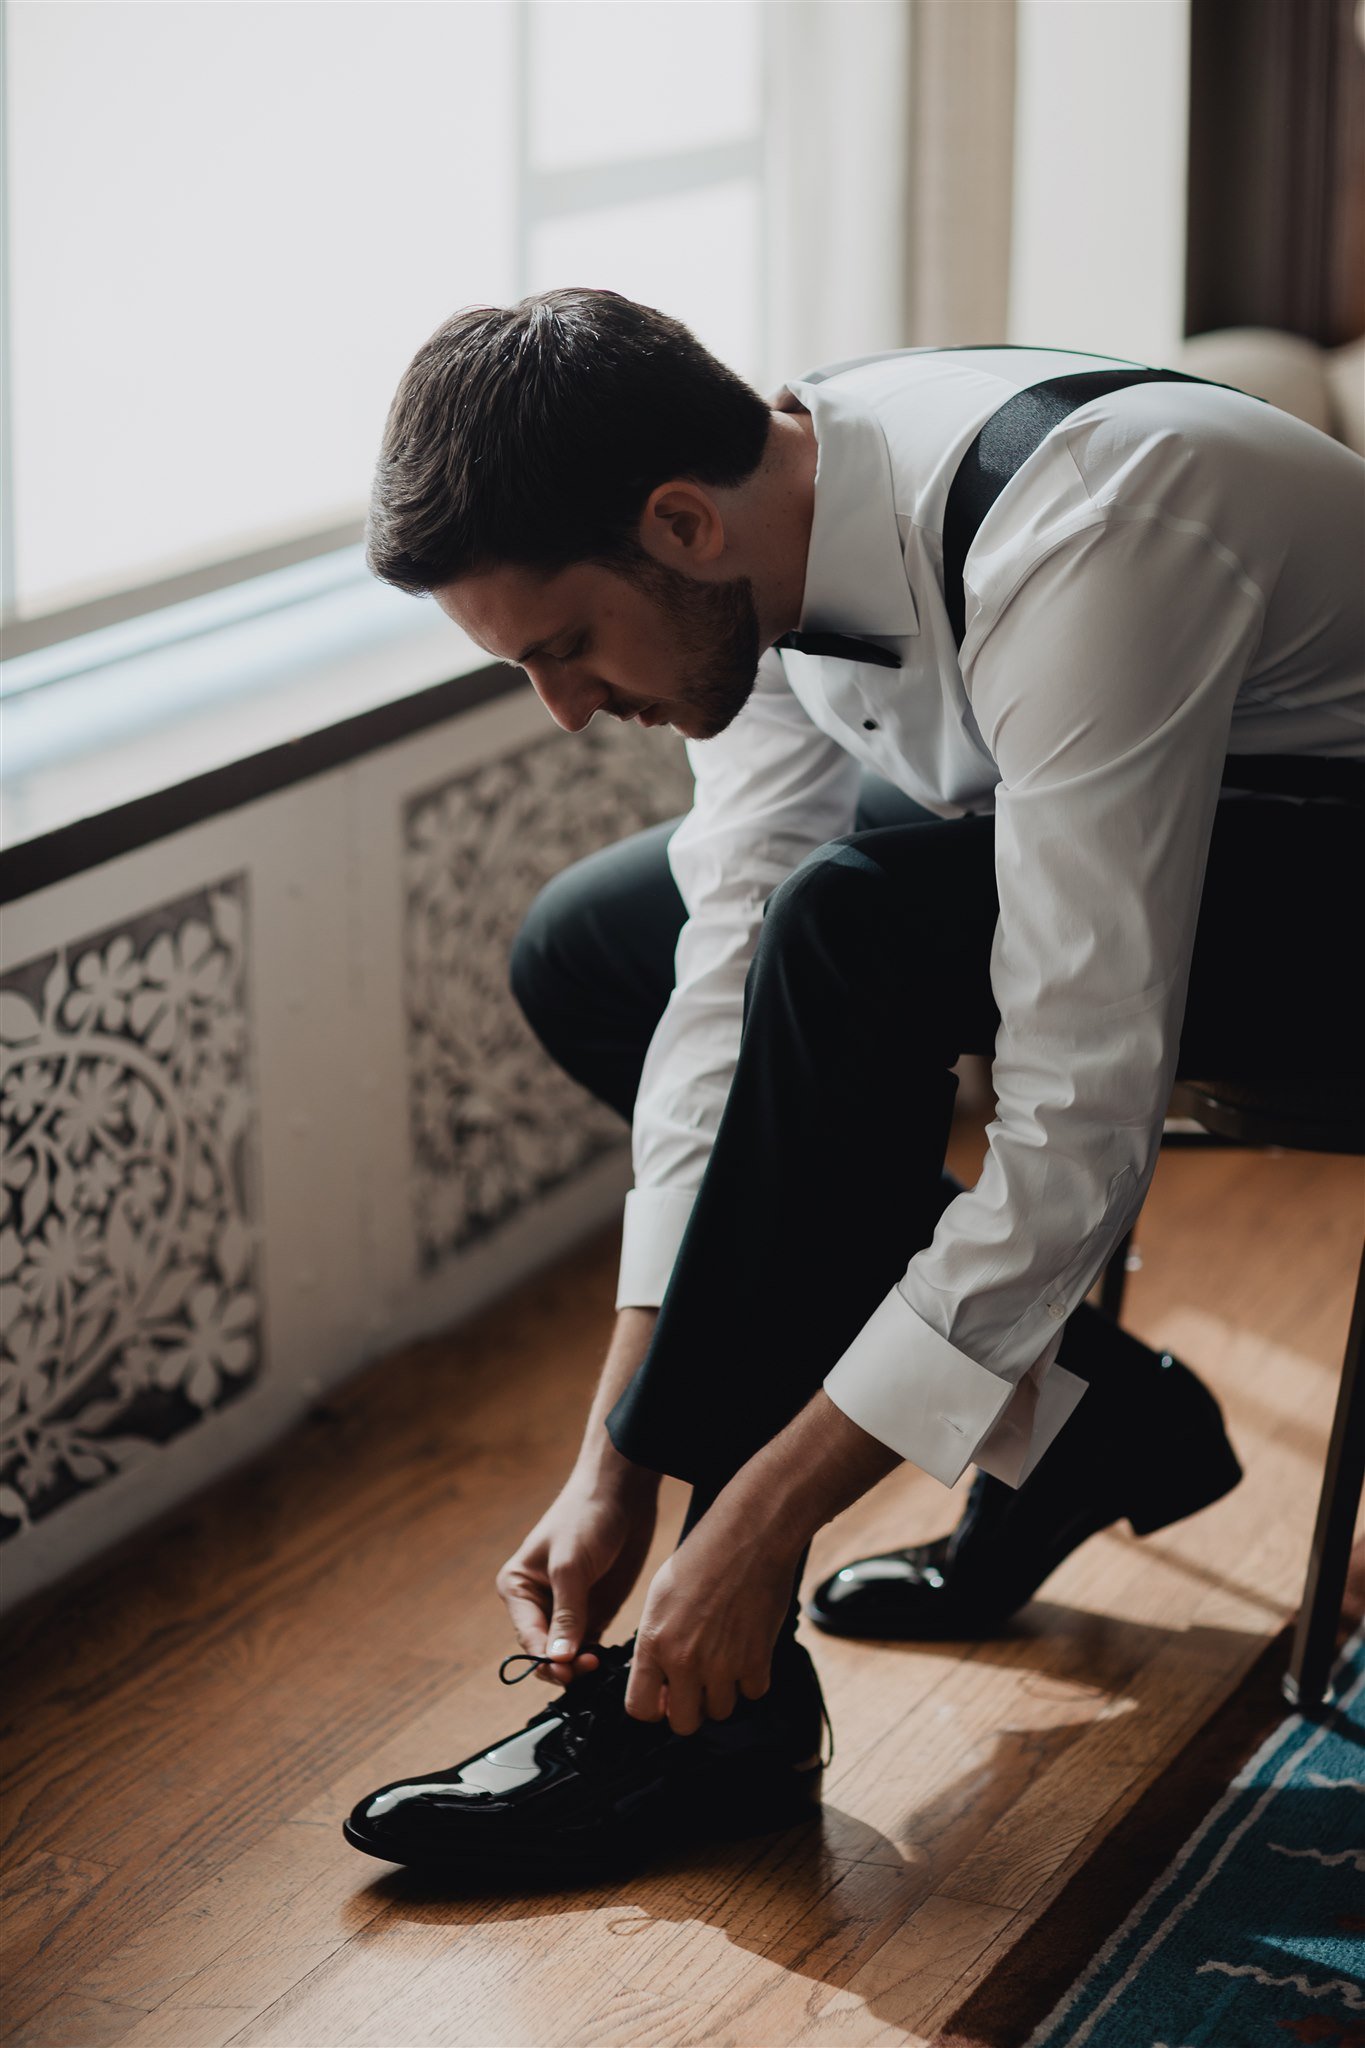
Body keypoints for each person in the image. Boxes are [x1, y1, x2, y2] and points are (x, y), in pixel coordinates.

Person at [342, 288, 1364, 1881]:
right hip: (1182, 833)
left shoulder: (1083, 532)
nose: (562, 709)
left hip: (1351, 894)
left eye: (561, 649)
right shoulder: (764, 515)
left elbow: (1075, 1123)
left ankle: (710, 1716)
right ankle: (1067, 1424)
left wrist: (749, 1524)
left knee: (853, 932)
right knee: (598, 947)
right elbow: (722, 967)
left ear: (677, 524)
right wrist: (618, 1444)